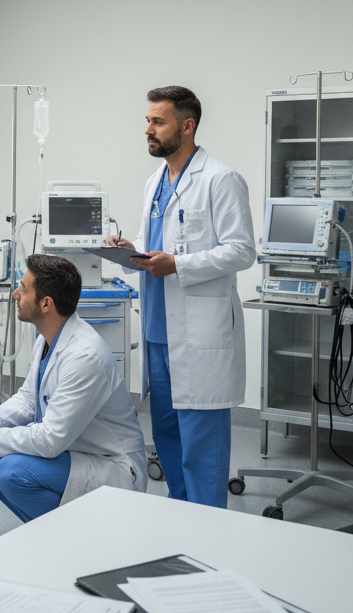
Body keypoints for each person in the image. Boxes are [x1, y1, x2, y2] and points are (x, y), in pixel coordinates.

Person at [108, 85, 255, 508]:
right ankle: (179, 516)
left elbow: (242, 251)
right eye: (148, 121)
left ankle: (208, 525)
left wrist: (178, 265)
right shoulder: (155, 182)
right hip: (158, 331)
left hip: (199, 333)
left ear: (186, 126)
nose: (148, 130)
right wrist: (129, 251)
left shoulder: (220, 179)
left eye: (158, 122)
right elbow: (153, 243)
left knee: (201, 444)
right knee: (168, 436)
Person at [0, 253, 147, 522]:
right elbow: (29, 398)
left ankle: (70, 536)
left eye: (23, 288)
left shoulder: (84, 357)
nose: (15, 294)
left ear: (45, 304)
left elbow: (51, 440)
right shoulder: (47, 338)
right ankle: (44, 527)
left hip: (111, 462)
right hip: (72, 449)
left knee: (13, 472)